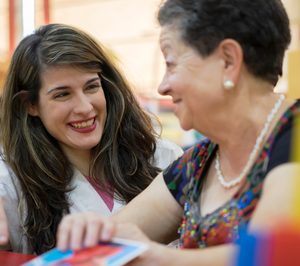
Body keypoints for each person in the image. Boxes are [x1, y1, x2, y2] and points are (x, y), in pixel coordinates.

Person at [55, 0, 300, 265]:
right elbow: (119, 233)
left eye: (171, 64)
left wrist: (158, 257)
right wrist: (94, 232)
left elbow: (275, 254)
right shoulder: (198, 164)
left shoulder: (293, 136)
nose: (162, 86)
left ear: (228, 60)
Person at [0, 23, 183, 254]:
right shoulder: (11, 184)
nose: (85, 108)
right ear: (31, 105)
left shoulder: (164, 157)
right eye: (62, 94)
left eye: (91, 87)